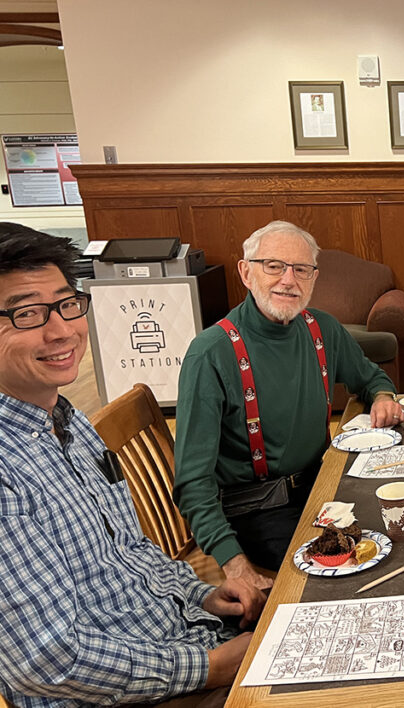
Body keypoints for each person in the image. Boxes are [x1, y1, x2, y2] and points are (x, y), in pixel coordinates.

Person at [0, 223, 265, 707]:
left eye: (65, 304)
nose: (61, 330)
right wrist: (209, 668)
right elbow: (50, 662)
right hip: (134, 690)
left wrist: (202, 595)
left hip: (184, 635)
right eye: (27, 314)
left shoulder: (66, 419)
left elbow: (127, 552)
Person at [174, 221, 401, 591]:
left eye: (301, 269)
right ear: (246, 272)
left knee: (401, 532)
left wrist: (382, 396)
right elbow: (192, 483)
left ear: (314, 277)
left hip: (325, 488)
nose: (288, 280)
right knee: (348, 581)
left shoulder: (322, 328)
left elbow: (371, 376)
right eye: (274, 266)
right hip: (259, 512)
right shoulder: (210, 353)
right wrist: (235, 565)